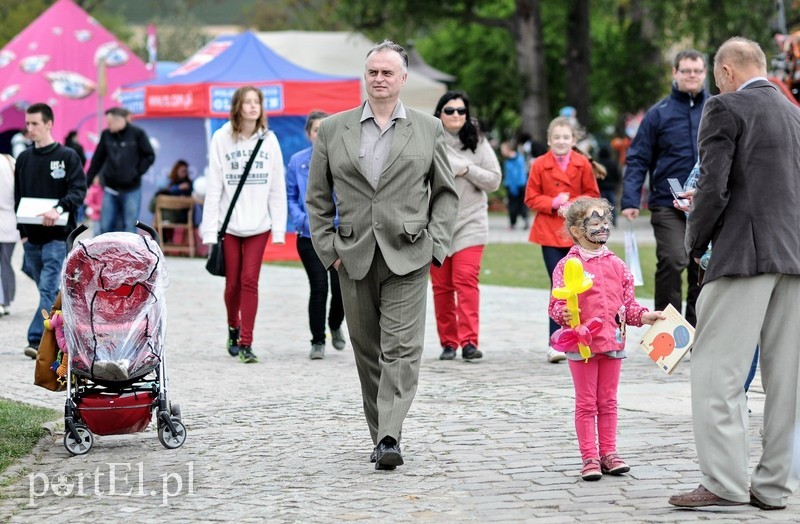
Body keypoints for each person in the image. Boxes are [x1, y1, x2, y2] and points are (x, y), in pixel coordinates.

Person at [306, 41, 458, 471]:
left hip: (409, 255)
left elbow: (446, 194)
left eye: (388, 72)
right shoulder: (334, 129)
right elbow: (317, 199)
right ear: (365, 75)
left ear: (403, 79)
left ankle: (390, 434)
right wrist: (329, 250)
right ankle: (381, 435)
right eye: (373, 71)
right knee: (367, 350)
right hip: (351, 256)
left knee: (402, 350)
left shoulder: (428, 129)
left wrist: (437, 244)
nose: (379, 79)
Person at [668, 37, 800, 511]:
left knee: (715, 372)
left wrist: (696, 243)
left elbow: (713, 188)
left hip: (743, 255)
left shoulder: (725, 108)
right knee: (787, 380)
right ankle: (774, 487)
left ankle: (724, 482)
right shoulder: (794, 113)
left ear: (724, 71)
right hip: (794, 259)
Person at [549, 197, 663, 481]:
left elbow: (628, 306)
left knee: (609, 401)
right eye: (594, 222)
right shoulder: (567, 266)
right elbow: (555, 306)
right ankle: (589, 456)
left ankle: (609, 453)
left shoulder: (619, 266)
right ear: (576, 230)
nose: (602, 227)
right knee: (586, 402)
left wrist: (645, 316)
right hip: (582, 344)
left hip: (613, 342)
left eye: (605, 222)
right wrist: (563, 312)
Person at [620, 49, 708, 327]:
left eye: (697, 70)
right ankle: (667, 331)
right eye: (686, 71)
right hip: (667, 202)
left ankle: (696, 333)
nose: (692, 76)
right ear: (675, 73)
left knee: (702, 265)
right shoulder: (659, 114)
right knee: (673, 259)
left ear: (705, 73)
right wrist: (631, 199)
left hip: (708, 202)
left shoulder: (717, 107)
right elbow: (638, 157)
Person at [200, 86, 287, 364]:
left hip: (259, 225)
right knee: (233, 284)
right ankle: (232, 328)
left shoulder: (269, 140)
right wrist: (210, 230)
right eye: (247, 102)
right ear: (237, 107)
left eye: (256, 102)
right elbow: (214, 186)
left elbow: (277, 186)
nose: (252, 107)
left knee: (250, 281)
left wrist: (278, 228)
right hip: (230, 225)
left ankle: (246, 342)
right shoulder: (221, 138)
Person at [432, 90, 501, 361]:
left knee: (465, 281)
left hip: (471, 224)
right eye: (450, 110)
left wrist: (466, 169)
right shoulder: (429, 141)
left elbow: (495, 180)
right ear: (440, 114)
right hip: (437, 225)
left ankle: (469, 341)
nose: (456, 115)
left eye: (461, 111)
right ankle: (448, 343)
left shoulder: (478, 142)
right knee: (442, 288)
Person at [524, 116, 600, 364]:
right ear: (549, 140)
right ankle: (555, 342)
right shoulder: (539, 165)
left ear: (573, 140)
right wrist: (553, 202)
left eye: (565, 137)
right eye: (556, 137)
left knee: (583, 288)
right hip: (549, 232)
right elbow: (530, 197)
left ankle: (585, 338)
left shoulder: (582, 163)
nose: (561, 141)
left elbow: (593, 195)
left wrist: (573, 204)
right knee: (558, 288)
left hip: (577, 233)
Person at [13, 103, 86, 358]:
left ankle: (37, 340)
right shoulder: (23, 158)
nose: (29, 128)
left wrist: (58, 208)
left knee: (47, 287)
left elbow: (78, 191)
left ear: (48, 124)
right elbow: (18, 196)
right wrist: (21, 231)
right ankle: (73, 318)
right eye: (28, 123)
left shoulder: (67, 156)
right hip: (31, 237)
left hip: (57, 236)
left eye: (34, 123)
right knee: (50, 288)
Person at [286, 110, 346, 360]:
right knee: (319, 287)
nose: (321, 134)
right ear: (308, 134)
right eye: (316, 130)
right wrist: (301, 219)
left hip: (339, 234)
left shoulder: (343, 159)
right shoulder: (297, 161)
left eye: (325, 129)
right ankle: (318, 340)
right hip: (309, 236)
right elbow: (290, 196)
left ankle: (335, 324)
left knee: (341, 288)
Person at [86, 107, 155, 234]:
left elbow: (149, 155)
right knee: (105, 226)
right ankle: (104, 254)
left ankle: (129, 253)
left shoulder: (137, 133)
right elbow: (97, 160)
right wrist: (87, 181)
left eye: (110, 123)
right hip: (110, 188)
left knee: (129, 226)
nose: (108, 126)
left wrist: (137, 172)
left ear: (119, 120)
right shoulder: (106, 135)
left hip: (132, 189)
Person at [0, 153, 17, 317]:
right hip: (11, 221)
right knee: (6, 262)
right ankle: (6, 300)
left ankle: (2, 300)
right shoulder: (10, 160)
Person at [500, 140, 529, 230]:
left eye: (503, 149)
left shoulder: (519, 159)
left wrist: (518, 186)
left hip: (520, 186)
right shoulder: (507, 161)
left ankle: (525, 221)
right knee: (512, 206)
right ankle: (513, 223)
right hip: (510, 186)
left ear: (508, 149)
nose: (502, 151)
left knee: (522, 205)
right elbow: (507, 175)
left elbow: (520, 174)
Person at [595, 146, 620, 225]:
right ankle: (613, 221)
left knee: (600, 206)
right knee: (612, 206)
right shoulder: (613, 163)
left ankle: (601, 221)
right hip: (611, 188)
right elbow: (618, 176)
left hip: (600, 188)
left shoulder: (598, 164)